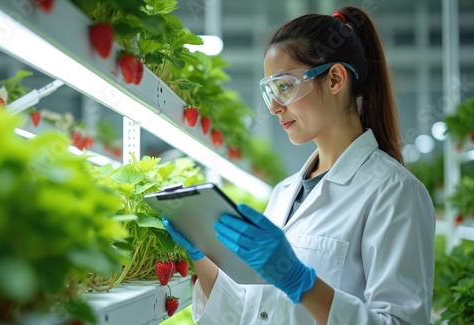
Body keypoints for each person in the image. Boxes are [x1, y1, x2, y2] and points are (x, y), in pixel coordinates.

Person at [163, 5, 435, 324]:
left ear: (335, 79)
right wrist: (201, 253)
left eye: (285, 87)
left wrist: (300, 283)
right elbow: (251, 311)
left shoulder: (394, 193)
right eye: (270, 92)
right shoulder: (284, 193)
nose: (276, 107)